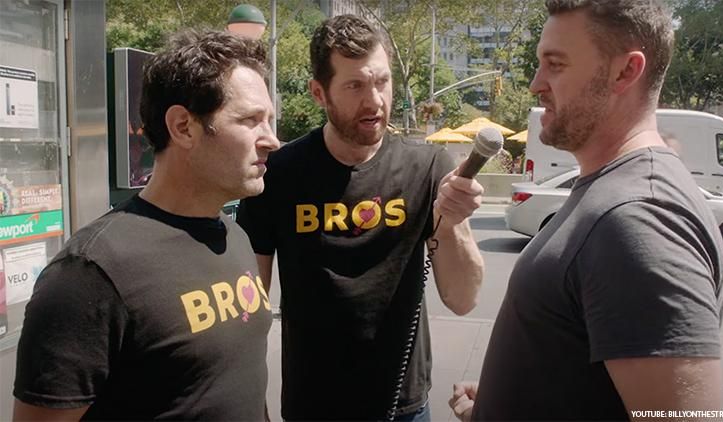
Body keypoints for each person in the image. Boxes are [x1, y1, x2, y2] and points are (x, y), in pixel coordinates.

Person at [450, 1, 723, 420]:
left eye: (555, 65)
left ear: (625, 72)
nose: (535, 84)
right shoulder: (610, 190)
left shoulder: (639, 218)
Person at [13, 29, 280, 420]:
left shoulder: (234, 236)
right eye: (250, 120)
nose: (272, 140)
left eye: (269, 120)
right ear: (183, 126)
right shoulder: (89, 274)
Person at [237, 14, 484, 421]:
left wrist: (452, 220)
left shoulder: (428, 168)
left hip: (403, 407)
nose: (375, 101)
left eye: (382, 81)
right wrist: (249, 407)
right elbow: (249, 310)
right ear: (319, 93)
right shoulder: (278, 174)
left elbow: (462, 299)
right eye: (355, 86)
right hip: (312, 407)